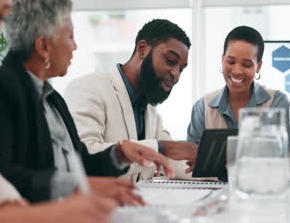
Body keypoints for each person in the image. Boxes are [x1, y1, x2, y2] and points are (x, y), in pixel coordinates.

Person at [0, 0, 174, 204]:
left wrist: (118, 154)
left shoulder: (53, 99)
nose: (75, 46)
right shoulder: (4, 87)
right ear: (44, 46)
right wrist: (74, 186)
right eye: (70, 36)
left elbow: (79, 162)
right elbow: (4, 177)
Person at [64, 19, 197, 181]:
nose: (176, 75)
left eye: (181, 69)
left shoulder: (149, 110)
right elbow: (84, 156)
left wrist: (217, 166)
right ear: (143, 49)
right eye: (170, 61)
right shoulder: (88, 88)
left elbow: (175, 161)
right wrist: (161, 148)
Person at [187, 26, 290, 145]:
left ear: (259, 66)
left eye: (246, 65)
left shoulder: (276, 102)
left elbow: (277, 155)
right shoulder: (203, 107)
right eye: (230, 62)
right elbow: (192, 158)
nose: (237, 71)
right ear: (222, 59)